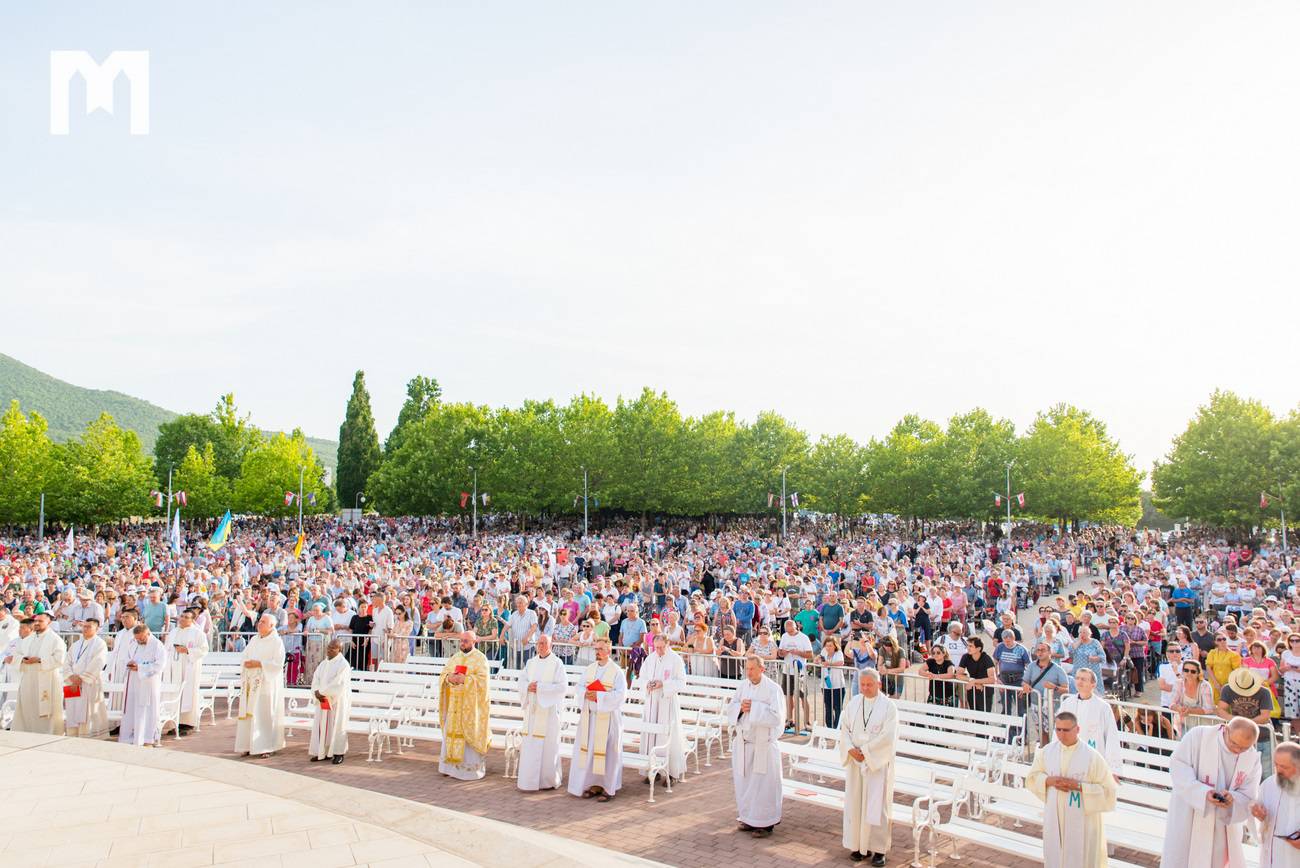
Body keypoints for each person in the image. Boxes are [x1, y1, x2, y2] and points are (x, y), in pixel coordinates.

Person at [1160, 716, 1263, 868]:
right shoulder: (1198, 736)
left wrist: (1232, 798)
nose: (1237, 750)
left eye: (1244, 748)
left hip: (1221, 823)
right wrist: (1203, 793)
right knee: (1181, 858)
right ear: (1226, 729)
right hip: (1190, 813)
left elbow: (1249, 794)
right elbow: (1178, 765)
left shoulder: (1252, 758)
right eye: (1234, 743)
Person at [1026, 711, 1119, 868]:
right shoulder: (1047, 752)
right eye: (1058, 730)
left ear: (1077, 729)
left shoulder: (1092, 757)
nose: (1062, 735)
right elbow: (1032, 778)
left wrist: (1078, 786)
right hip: (1054, 816)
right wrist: (1049, 780)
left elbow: (1109, 791)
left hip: (1083, 819)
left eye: (1066, 730)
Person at [838, 669, 898, 866]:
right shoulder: (854, 702)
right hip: (856, 763)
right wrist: (849, 748)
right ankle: (857, 845)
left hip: (876, 764)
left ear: (878, 684)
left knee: (876, 807)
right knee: (855, 804)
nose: (865, 688)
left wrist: (866, 751)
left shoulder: (889, 707)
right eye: (862, 684)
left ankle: (879, 849)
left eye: (869, 685)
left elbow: (888, 737)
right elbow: (844, 728)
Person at [727, 655, 784, 838]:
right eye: (747, 668)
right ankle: (748, 818)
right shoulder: (743, 686)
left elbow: (777, 717)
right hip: (745, 743)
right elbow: (732, 706)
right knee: (746, 783)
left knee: (763, 786)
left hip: (763, 745)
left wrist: (755, 708)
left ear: (762, 669)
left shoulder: (773, 689)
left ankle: (766, 823)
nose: (748, 672)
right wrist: (740, 709)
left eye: (752, 668)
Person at [568, 637, 627, 802]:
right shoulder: (589, 669)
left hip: (608, 719)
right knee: (591, 752)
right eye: (596, 649)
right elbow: (579, 687)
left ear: (609, 651)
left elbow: (621, 695)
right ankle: (593, 784)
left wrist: (599, 695)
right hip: (590, 717)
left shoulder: (617, 672)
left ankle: (608, 787)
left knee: (608, 754)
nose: (598, 652)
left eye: (601, 649)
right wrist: (585, 693)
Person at [635, 632, 687, 783]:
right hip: (652, 701)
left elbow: (682, 682)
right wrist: (648, 684)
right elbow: (642, 677)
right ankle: (653, 769)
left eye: (661, 647)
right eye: (656, 647)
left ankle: (671, 772)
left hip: (667, 701)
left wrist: (663, 684)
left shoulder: (675, 660)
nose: (658, 650)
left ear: (667, 644)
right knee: (652, 734)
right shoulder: (650, 658)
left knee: (668, 734)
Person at [517, 633, 567, 791]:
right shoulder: (531, 662)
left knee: (548, 747)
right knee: (531, 745)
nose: (541, 646)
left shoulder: (557, 663)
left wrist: (541, 688)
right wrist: (527, 687)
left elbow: (562, 687)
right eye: (539, 643)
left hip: (548, 712)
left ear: (551, 645)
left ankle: (547, 781)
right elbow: (522, 680)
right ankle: (528, 780)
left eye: (544, 643)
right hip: (532, 711)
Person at [439, 631, 490, 780]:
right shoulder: (455, 657)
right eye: (461, 640)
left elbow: (483, 682)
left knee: (467, 735)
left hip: (470, 706)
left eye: (466, 641)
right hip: (454, 704)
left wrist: (465, 680)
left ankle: (467, 770)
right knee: (452, 734)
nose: (462, 643)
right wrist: (449, 678)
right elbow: (444, 674)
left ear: (474, 641)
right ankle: (449, 768)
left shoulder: (481, 659)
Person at [235, 613, 287, 759]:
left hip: (266, 685)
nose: (259, 624)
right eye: (260, 621)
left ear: (272, 626)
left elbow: (278, 664)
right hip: (251, 683)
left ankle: (266, 746)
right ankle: (247, 745)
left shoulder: (276, 642)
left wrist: (259, 664)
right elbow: (244, 656)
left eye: (263, 622)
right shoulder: (254, 640)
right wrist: (247, 663)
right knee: (250, 713)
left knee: (265, 714)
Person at [12, 612, 66, 734]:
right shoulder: (29, 638)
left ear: (49, 622)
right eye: (36, 621)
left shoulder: (55, 639)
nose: (37, 623)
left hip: (46, 677)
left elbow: (60, 659)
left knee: (45, 707)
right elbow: (17, 653)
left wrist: (40, 660)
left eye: (40, 621)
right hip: (28, 677)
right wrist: (23, 659)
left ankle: (47, 732)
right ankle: (27, 730)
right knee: (28, 706)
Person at [1250, 740, 1300, 868]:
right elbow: (1259, 818)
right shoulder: (1268, 784)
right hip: (1273, 857)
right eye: (1276, 765)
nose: (1278, 770)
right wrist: (1259, 816)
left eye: (1284, 767)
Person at [119, 623, 167, 747]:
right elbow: (125, 657)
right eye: (137, 638)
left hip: (148, 683)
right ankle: (131, 737)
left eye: (142, 638)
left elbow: (160, 665)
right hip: (133, 681)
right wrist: (129, 663)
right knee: (132, 708)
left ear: (148, 633)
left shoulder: (157, 645)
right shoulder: (133, 643)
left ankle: (147, 738)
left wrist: (140, 668)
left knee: (147, 710)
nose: (139, 640)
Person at [63, 617, 108, 737]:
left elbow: (98, 662)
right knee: (72, 708)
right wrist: (71, 676)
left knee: (89, 710)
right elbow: (66, 662)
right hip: (72, 683)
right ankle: (73, 734)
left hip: (89, 682)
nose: (85, 629)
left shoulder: (100, 644)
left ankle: (88, 734)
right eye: (84, 626)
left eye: (89, 627)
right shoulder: (76, 644)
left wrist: (81, 678)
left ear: (97, 629)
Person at [309, 638, 351, 765]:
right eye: (328, 647)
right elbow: (316, 678)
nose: (329, 650)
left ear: (340, 650)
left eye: (333, 648)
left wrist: (323, 692)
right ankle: (322, 752)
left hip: (337, 700)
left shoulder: (343, 664)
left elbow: (339, 683)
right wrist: (316, 691)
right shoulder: (324, 663)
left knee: (337, 725)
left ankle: (338, 753)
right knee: (322, 725)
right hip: (323, 700)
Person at [165, 609, 208, 733]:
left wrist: (188, 651)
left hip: (189, 667)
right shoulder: (173, 632)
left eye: (186, 617)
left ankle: (188, 723)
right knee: (175, 693)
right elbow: (166, 648)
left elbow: (204, 650)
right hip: (174, 667)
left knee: (188, 693)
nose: (182, 619)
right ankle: (175, 721)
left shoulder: (198, 633)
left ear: (192, 620)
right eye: (181, 616)